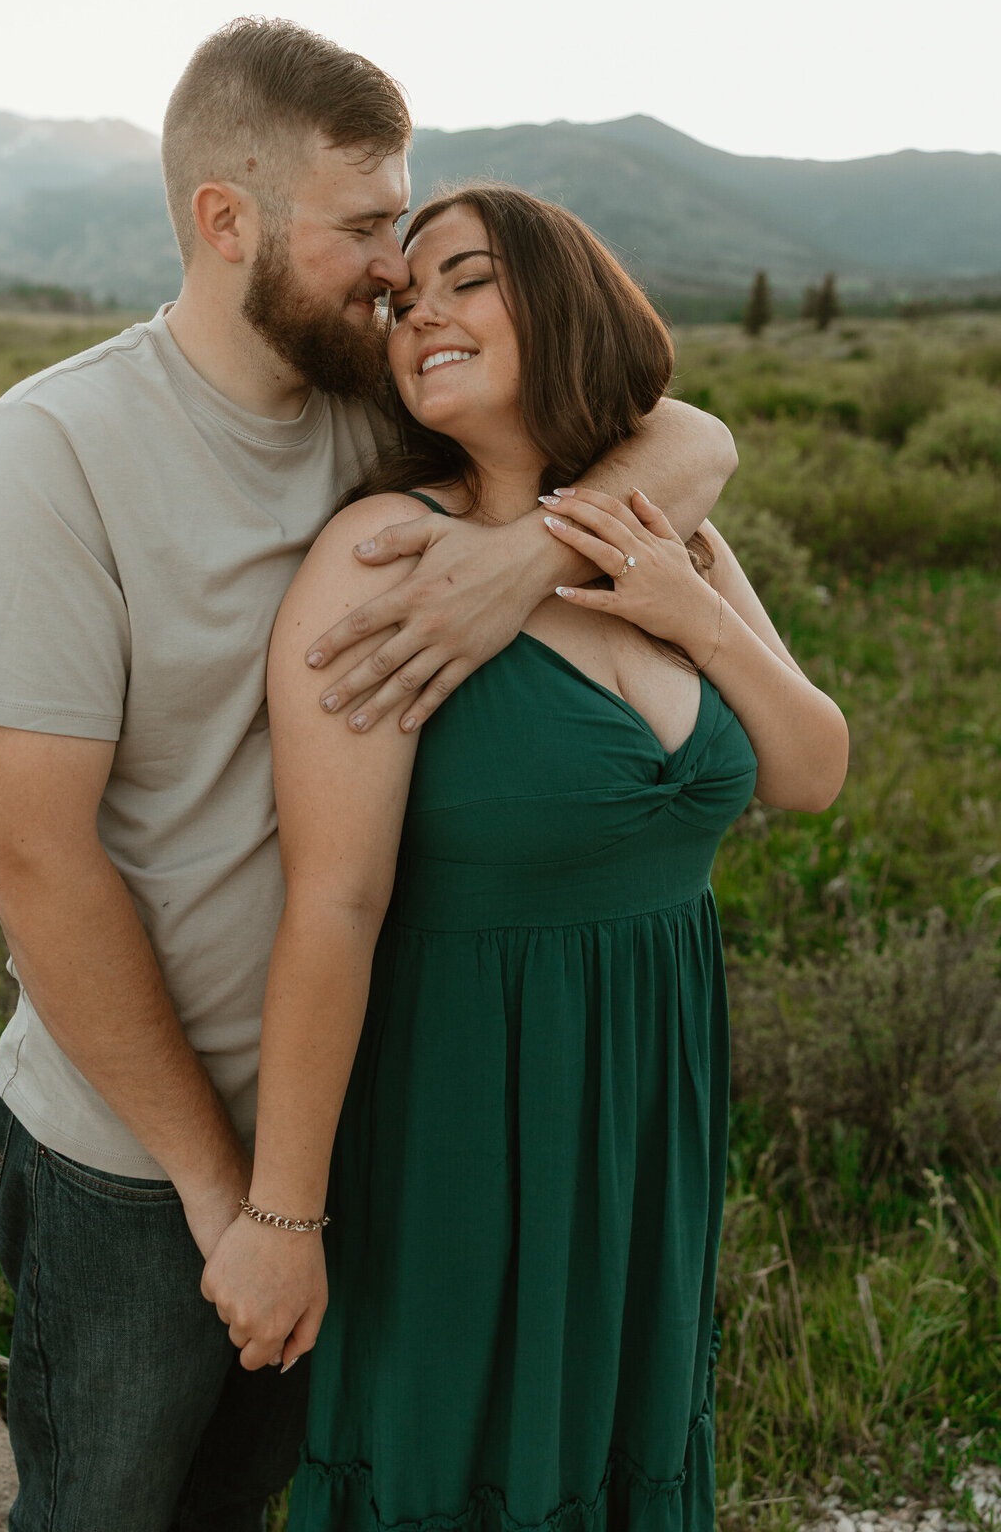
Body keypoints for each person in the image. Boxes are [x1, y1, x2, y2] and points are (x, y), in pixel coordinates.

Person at [0, 22, 736, 1532]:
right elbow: (33, 858)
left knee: (260, 1504)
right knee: (105, 1510)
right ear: (226, 219)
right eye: (364, 225)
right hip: (138, 1154)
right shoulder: (58, 446)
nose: (393, 268)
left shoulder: (377, 394)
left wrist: (527, 561)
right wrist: (232, 1203)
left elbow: (689, 431)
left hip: (366, 1110)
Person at [201, 185, 848, 1529]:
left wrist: (696, 610)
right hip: (462, 1108)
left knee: (617, 1447)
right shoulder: (380, 563)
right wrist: (281, 1218)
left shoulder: (664, 536)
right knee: (456, 1465)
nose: (419, 308)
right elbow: (334, 902)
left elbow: (811, 770)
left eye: (467, 277)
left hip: (643, 1104)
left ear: (562, 303)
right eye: (400, 299)